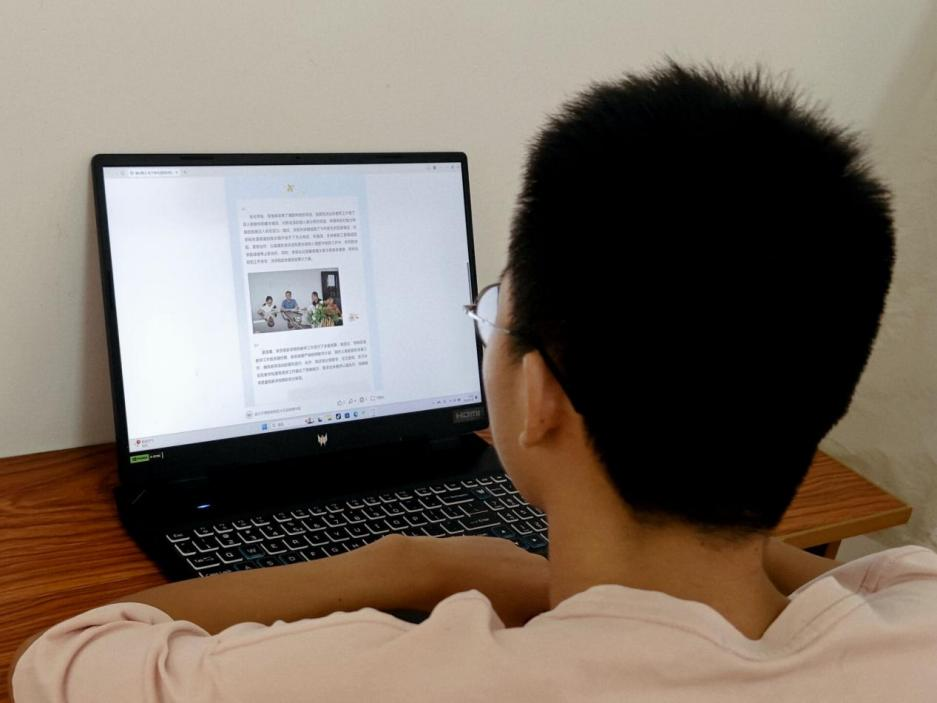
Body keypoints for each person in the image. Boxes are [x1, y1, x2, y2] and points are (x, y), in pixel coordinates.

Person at [11, 62, 937, 702]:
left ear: (538, 397)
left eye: (493, 312)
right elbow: (866, 573)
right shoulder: (914, 618)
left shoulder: (394, 674)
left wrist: (408, 564)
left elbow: (65, 657)